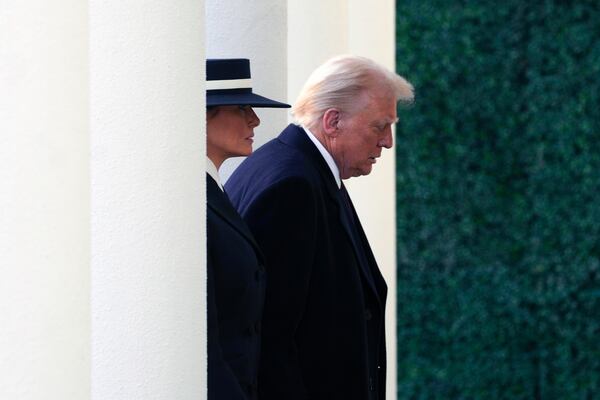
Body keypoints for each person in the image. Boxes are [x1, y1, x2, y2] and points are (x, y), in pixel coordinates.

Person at [225, 55, 414, 400]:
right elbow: (269, 336)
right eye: (379, 126)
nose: (387, 141)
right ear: (333, 121)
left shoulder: (304, 171)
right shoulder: (292, 185)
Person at [206, 58, 290, 400]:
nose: (255, 119)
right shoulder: (189, 202)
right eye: (242, 107)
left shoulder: (213, 193)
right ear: (201, 114)